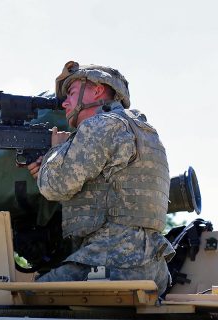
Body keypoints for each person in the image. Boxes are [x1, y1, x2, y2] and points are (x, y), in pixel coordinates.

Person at [27, 61, 175, 295]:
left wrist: (54, 153)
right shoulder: (144, 130)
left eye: (72, 93)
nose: (65, 102)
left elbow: (53, 186)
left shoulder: (99, 126)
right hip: (152, 266)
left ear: (97, 90)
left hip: (113, 260)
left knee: (30, 296)